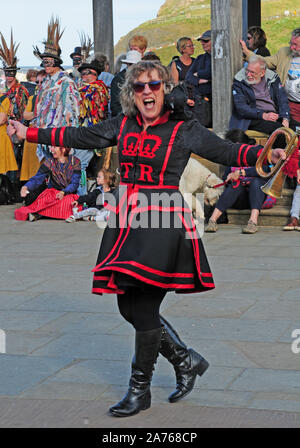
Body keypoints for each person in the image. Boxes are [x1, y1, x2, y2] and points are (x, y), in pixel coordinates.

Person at [9, 60, 285, 418]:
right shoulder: (122, 124)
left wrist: (267, 154)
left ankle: (139, 389)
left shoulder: (183, 128)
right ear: (131, 94)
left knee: (145, 307)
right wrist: (28, 133)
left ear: (163, 90)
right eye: (139, 87)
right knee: (129, 306)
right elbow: (79, 135)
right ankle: (186, 360)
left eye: (153, 85)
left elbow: (226, 152)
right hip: (126, 221)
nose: (147, 92)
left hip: (163, 220)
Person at [205, 129, 273, 234]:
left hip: (257, 195)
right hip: (239, 198)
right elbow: (225, 178)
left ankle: (253, 222)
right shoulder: (232, 157)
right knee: (236, 185)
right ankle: (212, 220)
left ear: (238, 144)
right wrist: (229, 178)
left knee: (256, 182)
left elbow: (265, 170)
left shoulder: (257, 152)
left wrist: (242, 173)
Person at [32, 16, 80, 162]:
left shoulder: (67, 83)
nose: (45, 65)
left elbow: (71, 114)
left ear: (57, 62)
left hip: (59, 142)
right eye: (43, 62)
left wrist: (64, 142)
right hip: (45, 140)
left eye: (48, 62)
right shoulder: (45, 83)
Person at [240, 27, 300, 128]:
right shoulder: (284, 53)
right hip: (291, 105)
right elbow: (264, 62)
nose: (292, 47)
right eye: (291, 43)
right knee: (294, 134)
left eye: (295, 45)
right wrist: (247, 52)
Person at [229, 54, 290, 136]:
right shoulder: (240, 81)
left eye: (252, 72)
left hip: (275, 115)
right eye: (247, 70)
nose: (248, 75)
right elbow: (241, 107)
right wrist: (263, 115)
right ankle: (276, 149)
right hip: (253, 117)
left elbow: (282, 99)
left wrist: (285, 118)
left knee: (297, 128)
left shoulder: (273, 78)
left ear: (262, 73)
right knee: (279, 132)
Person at [14, 146, 81, 221]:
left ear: (64, 149)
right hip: (53, 194)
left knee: (68, 204)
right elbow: (37, 178)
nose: (51, 149)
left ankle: (40, 213)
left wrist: (64, 192)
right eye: (51, 146)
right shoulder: (49, 162)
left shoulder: (75, 161)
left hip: (68, 194)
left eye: (54, 147)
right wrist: (26, 187)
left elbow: (75, 184)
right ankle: (44, 213)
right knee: (44, 201)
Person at [0, 30, 29, 201]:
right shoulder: (4, 91)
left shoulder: (21, 90)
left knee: (15, 163)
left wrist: (20, 131)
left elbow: (23, 112)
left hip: (16, 130)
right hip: (6, 131)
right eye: (7, 73)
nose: (9, 76)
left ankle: (13, 193)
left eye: (11, 73)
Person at [75, 58, 109, 194]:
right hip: (81, 131)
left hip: (91, 132)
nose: (85, 76)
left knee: (80, 164)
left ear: (96, 74)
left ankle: (81, 195)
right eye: (83, 73)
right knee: (79, 164)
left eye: (89, 72)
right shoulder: (81, 89)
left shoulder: (98, 88)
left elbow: (90, 110)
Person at [20, 70, 47, 184]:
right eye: (37, 82)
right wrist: (41, 114)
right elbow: (26, 115)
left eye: (42, 81)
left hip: (45, 136)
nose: (39, 85)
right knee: (30, 166)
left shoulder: (53, 97)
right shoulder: (34, 98)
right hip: (32, 135)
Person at [185, 30, 212, 127]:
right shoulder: (200, 58)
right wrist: (201, 80)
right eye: (202, 41)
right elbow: (188, 77)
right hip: (200, 102)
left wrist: (199, 73)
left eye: (206, 41)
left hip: (215, 100)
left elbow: (213, 73)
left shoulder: (220, 58)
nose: (202, 43)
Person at [110, 50, 142, 117]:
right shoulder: (118, 79)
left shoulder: (142, 78)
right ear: (126, 64)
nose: (133, 67)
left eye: (136, 65)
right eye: (131, 64)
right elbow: (115, 106)